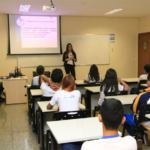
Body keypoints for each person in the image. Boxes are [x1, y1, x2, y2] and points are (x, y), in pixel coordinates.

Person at [127, 73, 150, 149]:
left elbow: (134, 109)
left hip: (144, 122)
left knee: (124, 117)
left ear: (148, 82)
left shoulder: (142, 95)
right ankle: (141, 136)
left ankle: (137, 136)